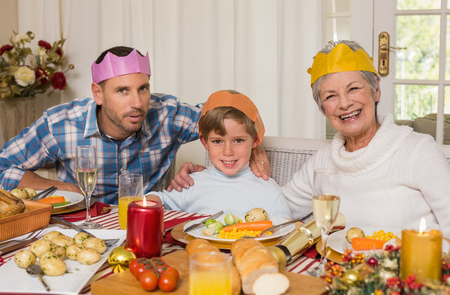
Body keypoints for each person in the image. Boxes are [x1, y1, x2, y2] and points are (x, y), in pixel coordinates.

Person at [0, 46, 269, 204]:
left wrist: (252, 145)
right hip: (79, 227)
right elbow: (3, 167)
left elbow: (232, 111)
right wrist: (66, 188)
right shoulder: (60, 124)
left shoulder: (167, 114)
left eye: (143, 88)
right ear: (98, 94)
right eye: (122, 91)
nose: (138, 103)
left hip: (151, 224)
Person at [282, 40, 450, 236]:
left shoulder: (419, 150)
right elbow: (278, 209)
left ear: (376, 90)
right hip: (340, 266)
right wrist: (252, 152)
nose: (345, 103)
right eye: (330, 96)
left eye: (353, 89)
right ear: (322, 108)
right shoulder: (322, 160)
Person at [147, 90, 292, 218]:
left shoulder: (269, 192)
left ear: (254, 140)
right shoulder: (192, 184)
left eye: (238, 140)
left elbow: (286, 233)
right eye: (217, 141)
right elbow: (161, 201)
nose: (228, 152)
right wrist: (148, 202)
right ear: (205, 142)